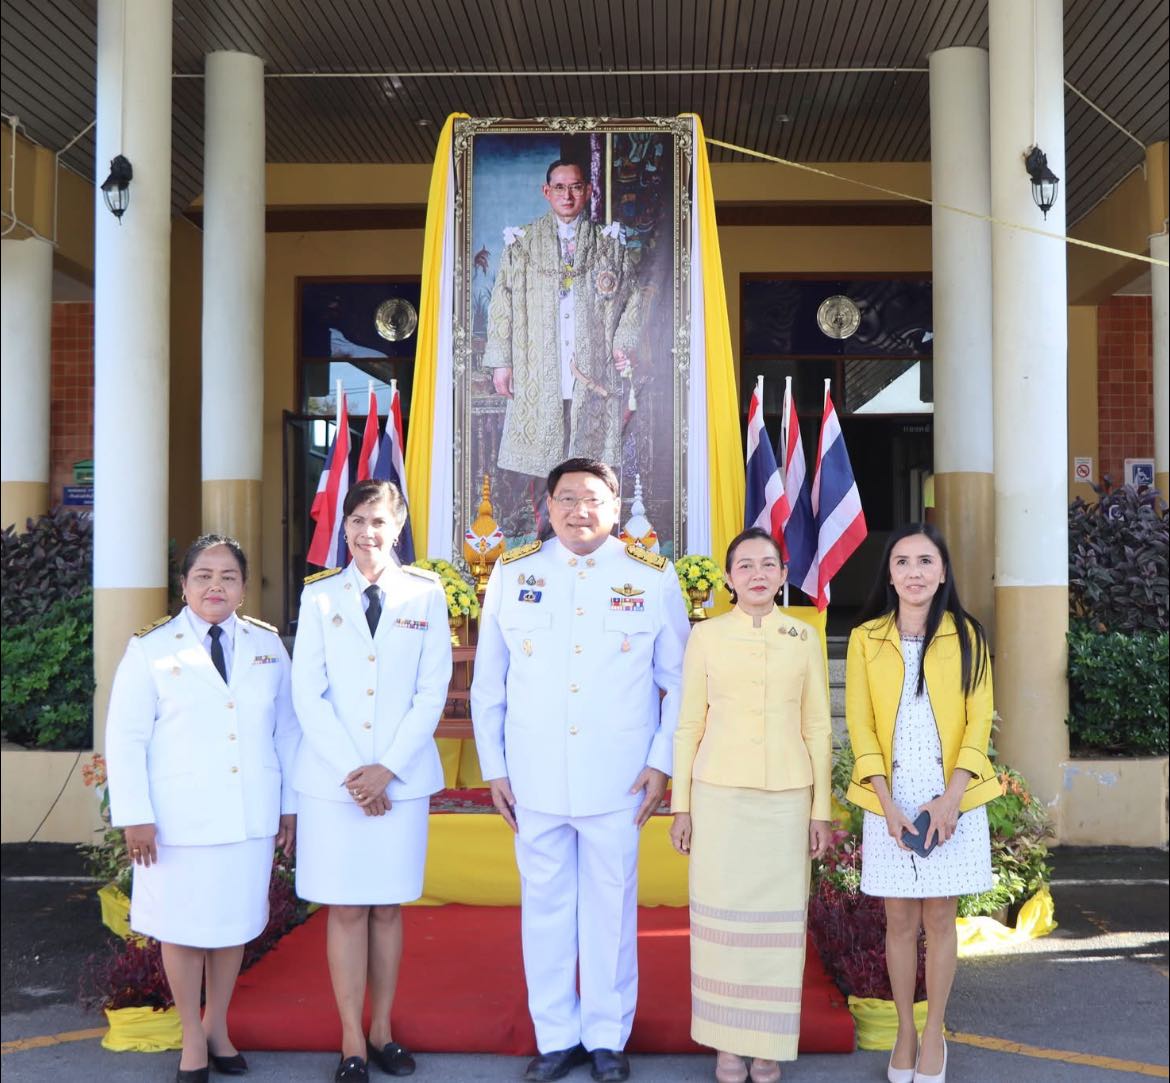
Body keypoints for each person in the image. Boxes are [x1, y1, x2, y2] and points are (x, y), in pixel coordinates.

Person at [471, 456, 690, 1083]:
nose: (578, 509)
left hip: (618, 777)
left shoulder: (650, 576)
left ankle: (606, 1036)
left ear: (614, 506)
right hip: (534, 776)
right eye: (566, 498)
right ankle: (556, 1035)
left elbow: (677, 683)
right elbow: (490, 685)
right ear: (548, 507)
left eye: (591, 498)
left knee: (611, 907)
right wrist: (495, 768)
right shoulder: (515, 573)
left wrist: (660, 762)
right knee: (543, 908)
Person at [105, 534, 298, 1083]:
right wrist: (135, 814)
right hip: (176, 821)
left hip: (247, 814)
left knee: (233, 927)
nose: (216, 586)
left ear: (243, 586)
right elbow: (125, 738)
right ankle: (193, 1035)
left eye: (228, 576)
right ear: (184, 585)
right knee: (183, 930)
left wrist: (289, 807)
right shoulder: (151, 648)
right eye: (204, 576)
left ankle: (218, 1026)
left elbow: (287, 733)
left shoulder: (266, 645)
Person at [291, 479, 452, 1083]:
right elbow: (308, 693)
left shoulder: (426, 594)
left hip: (402, 780)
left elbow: (431, 691)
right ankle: (350, 1038)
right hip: (335, 785)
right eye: (357, 520)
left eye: (378, 521)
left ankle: (383, 1030)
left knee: (387, 909)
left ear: (399, 525)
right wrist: (356, 775)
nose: (366, 532)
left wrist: (388, 768)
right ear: (345, 525)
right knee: (346, 910)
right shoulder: (320, 597)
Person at [669, 527, 833, 1083]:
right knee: (721, 929)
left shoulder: (804, 636)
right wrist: (681, 804)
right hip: (719, 796)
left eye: (768, 564)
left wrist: (821, 809)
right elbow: (688, 723)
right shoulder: (707, 636)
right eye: (745, 566)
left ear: (784, 575)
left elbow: (817, 726)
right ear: (729, 577)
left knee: (778, 931)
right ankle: (726, 1045)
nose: (757, 574)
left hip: (787, 798)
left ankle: (768, 1046)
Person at [845, 524, 1000, 1083]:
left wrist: (952, 800)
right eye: (903, 562)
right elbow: (860, 727)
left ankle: (935, 1031)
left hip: (950, 798)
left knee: (940, 916)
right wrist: (884, 804)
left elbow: (980, 722)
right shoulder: (866, 638)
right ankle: (905, 1033)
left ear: (942, 573)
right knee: (898, 920)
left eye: (925, 561)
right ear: (889, 573)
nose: (914, 572)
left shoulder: (968, 636)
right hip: (890, 799)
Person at [484, 160, 642, 515]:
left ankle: (591, 541)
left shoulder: (608, 244)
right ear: (547, 192)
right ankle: (546, 546)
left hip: (592, 373)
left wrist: (622, 344)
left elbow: (632, 298)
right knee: (544, 472)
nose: (567, 195)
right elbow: (501, 305)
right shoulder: (521, 245)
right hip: (539, 372)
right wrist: (501, 363)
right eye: (559, 187)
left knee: (590, 471)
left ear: (588, 191)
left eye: (575, 187)